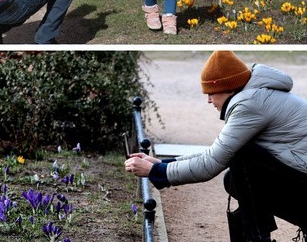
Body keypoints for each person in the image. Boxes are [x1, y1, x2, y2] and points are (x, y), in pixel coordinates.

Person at [125, 51, 307, 242]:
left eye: (210, 93)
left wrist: (157, 172)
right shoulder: (256, 95)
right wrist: (161, 164)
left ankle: (257, 239)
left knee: (242, 158)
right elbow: (216, 153)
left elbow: (210, 164)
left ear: (227, 87)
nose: (208, 100)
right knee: (233, 178)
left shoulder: (249, 103)